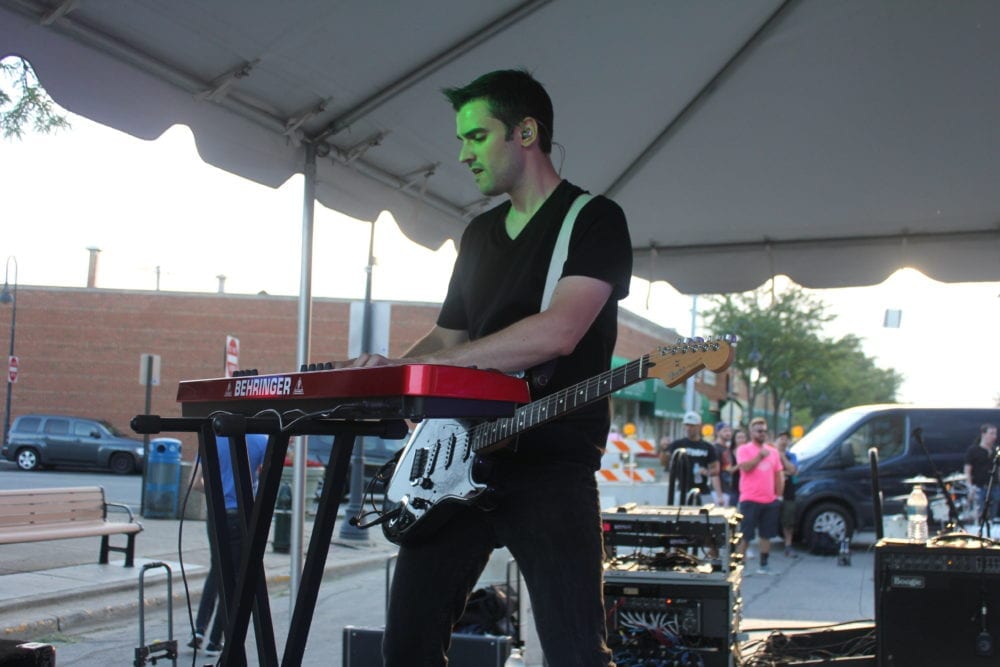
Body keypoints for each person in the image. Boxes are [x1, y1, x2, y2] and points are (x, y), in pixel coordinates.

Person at [337, 69, 632, 666]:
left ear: (525, 132)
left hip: (551, 468)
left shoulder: (593, 219)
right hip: (458, 458)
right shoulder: (477, 234)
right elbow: (450, 335)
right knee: (407, 648)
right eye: (461, 140)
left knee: (577, 655)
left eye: (476, 136)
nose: (463, 154)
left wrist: (431, 365)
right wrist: (389, 372)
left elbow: (559, 330)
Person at [188, 433, 269, 657]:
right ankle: (216, 639)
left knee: (217, 568)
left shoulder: (212, 436)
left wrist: (217, 489)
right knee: (235, 576)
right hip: (241, 515)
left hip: (216, 514)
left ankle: (199, 629)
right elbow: (268, 478)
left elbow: (194, 483)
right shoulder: (261, 440)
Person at [736, 417, 783, 574]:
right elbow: (745, 467)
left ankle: (764, 564)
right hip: (750, 499)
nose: (762, 433)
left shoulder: (773, 452)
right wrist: (759, 456)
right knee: (746, 535)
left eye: (764, 431)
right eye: (759, 431)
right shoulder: (743, 449)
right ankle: (740, 566)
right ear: (751, 432)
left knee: (766, 535)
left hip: (769, 500)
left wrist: (778, 495)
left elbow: (778, 474)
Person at [661, 411, 723, 504]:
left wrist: (707, 472)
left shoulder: (707, 447)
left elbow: (716, 469)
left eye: (692, 426)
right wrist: (663, 449)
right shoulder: (678, 444)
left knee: (706, 512)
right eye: (687, 425)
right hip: (683, 490)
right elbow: (664, 463)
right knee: (682, 512)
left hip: (703, 490)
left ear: (699, 426)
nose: (689, 428)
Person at [964, 423, 999, 521]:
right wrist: (969, 486)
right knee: (980, 512)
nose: (994, 437)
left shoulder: (995, 451)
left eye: (995, 434)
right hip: (979, 487)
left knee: (993, 512)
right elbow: (967, 470)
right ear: (983, 434)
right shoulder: (973, 450)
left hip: (994, 486)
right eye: (991, 433)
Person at [775, 431, 799, 557]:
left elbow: (793, 470)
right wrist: (784, 473)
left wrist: (783, 457)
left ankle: (788, 545)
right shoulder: (771, 454)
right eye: (781, 439)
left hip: (788, 492)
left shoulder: (792, 455)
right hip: (772, 492)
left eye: (786, 439)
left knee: (788, 520)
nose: (783, 441)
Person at [713, 421, 735, 506]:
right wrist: (719, 495)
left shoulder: (728, 448)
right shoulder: (715, 448)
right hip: (720, 492)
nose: (728, 433)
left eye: (729, 431)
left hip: (729, 489)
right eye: (725, 431)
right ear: (718, 432)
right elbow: (715, 473)